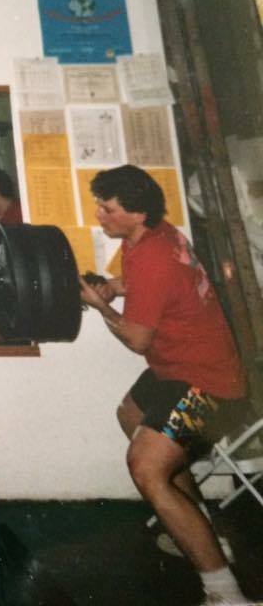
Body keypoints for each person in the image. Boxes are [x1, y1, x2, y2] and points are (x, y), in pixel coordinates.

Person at [80, 165, 250, 606]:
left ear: (135, 213)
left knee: (146, 468)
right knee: (131, 415)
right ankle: (202, 532)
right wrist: (106, 287)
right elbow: (131, 284)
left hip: (207, 381)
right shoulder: (148, 238)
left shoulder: (153, 254)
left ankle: (225, 592)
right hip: (176, 368)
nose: (99, 214)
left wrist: (101, 307)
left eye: (108, 208)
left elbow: (137, 339)